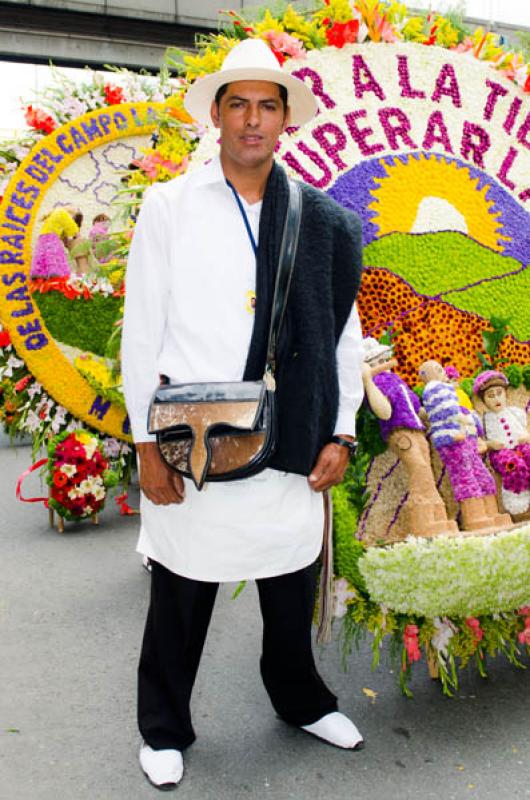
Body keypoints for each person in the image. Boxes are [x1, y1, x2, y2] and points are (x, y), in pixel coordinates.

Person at [122, 38, 365, 791]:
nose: (252, 120)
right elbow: (142, 329)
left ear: (285, 119)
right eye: (239, 105)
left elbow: (341, 332)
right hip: (195, 438)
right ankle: (164, 728)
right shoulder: (169, 206)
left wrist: (345, 427)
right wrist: (143, 444)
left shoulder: (321, 218)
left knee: (287, 582)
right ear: (218, 117)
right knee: (182, 589)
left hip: (291, 432)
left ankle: (301, 702)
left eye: (267, 105)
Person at [361, 339, 457, 537]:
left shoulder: (397, 381)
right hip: (400, 432)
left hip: (417, 430)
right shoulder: (377, 383)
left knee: (427, 471)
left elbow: (417, 408)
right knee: (419, 470)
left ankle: (437, 518)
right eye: (378, 360)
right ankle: (423, 520)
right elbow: (385, 413)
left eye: (384, 358)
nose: (385, 362)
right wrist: (368, 381)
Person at [418, 360, 509, 531]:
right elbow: (446, 411)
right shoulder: (434, 388)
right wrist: (462, 420)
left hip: (468, 439)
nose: (443, 372)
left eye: (442, 369)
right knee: (465, 476)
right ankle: (475, 516)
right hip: (453, 440)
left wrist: (473, 428)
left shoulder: (451, 389)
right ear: (427, 376)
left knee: (481, 474)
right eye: (438, 370)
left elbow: (465, 412)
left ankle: (491, 512)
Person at [473, 370, 530, 516]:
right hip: (501, 452)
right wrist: (491, 444)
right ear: (484, 401)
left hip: (519, 446)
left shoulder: (515, 413)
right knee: (513, 465)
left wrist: (525, 437)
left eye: (499, 393)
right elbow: (483, 441)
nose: (496, 399)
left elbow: (524, 431)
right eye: (491, 396)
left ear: (506, 394)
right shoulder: (484, 419)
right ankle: (516, 494)